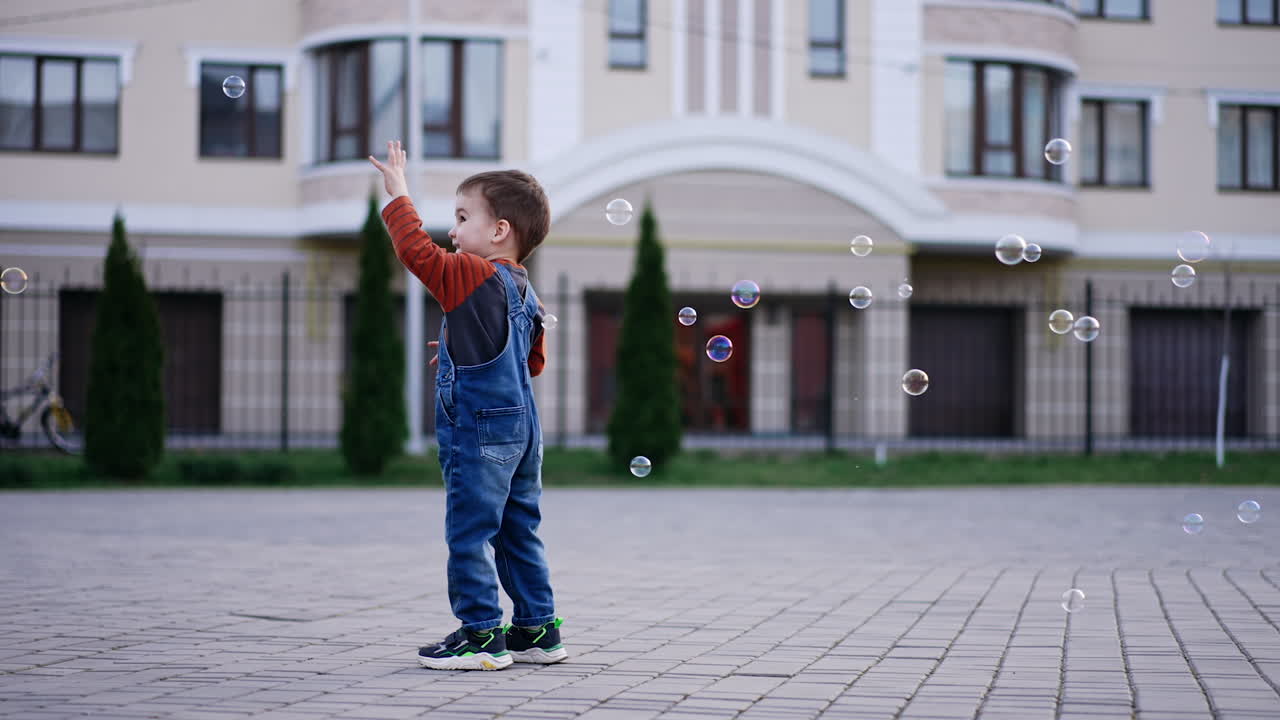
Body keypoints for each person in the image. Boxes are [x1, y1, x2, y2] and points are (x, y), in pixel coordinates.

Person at [369, 141, 567, 671]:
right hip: (524, 435)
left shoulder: (471, 273)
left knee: (469, 530)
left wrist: (399, 195)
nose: (452, 231)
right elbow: (530, 364)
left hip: (480, 433)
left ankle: (481, 633)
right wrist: (462, 343)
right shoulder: (527, 291)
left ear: (499, 231)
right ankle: (537, 627)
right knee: (517, 528)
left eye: (461, 217)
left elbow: (418, 253)